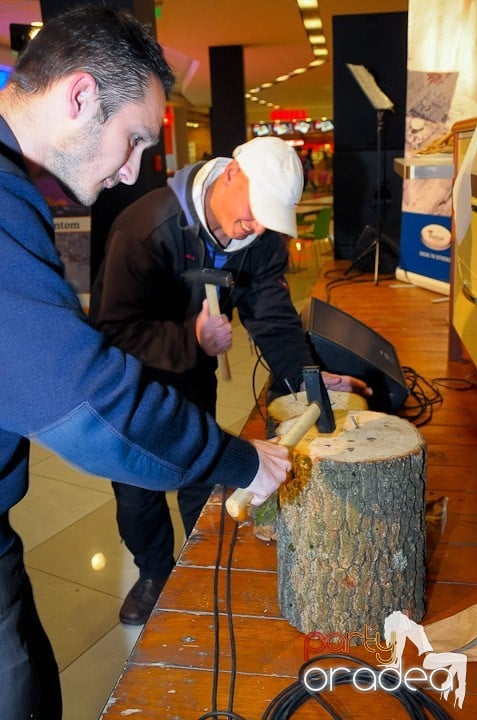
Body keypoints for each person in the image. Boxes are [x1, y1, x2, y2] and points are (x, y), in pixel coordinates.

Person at [0, 9, 293, 719]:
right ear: (78, 97)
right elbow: (90, 397)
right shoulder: (87, 219)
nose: (135, 169)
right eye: (132, 139)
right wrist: (236, 457)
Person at [89, 136, 372, 626]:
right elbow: (113, 331)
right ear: (230, 175)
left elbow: (273, 317)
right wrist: (189, 340)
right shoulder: (146, 227)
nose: (257, 226)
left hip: (195, 379)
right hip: (130, 386)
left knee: (202, 473)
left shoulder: (259, 241)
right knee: (138, 492)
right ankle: (154, 573)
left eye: (267, 219)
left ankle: (201, 567)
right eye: (253, 211)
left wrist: (308, 381)